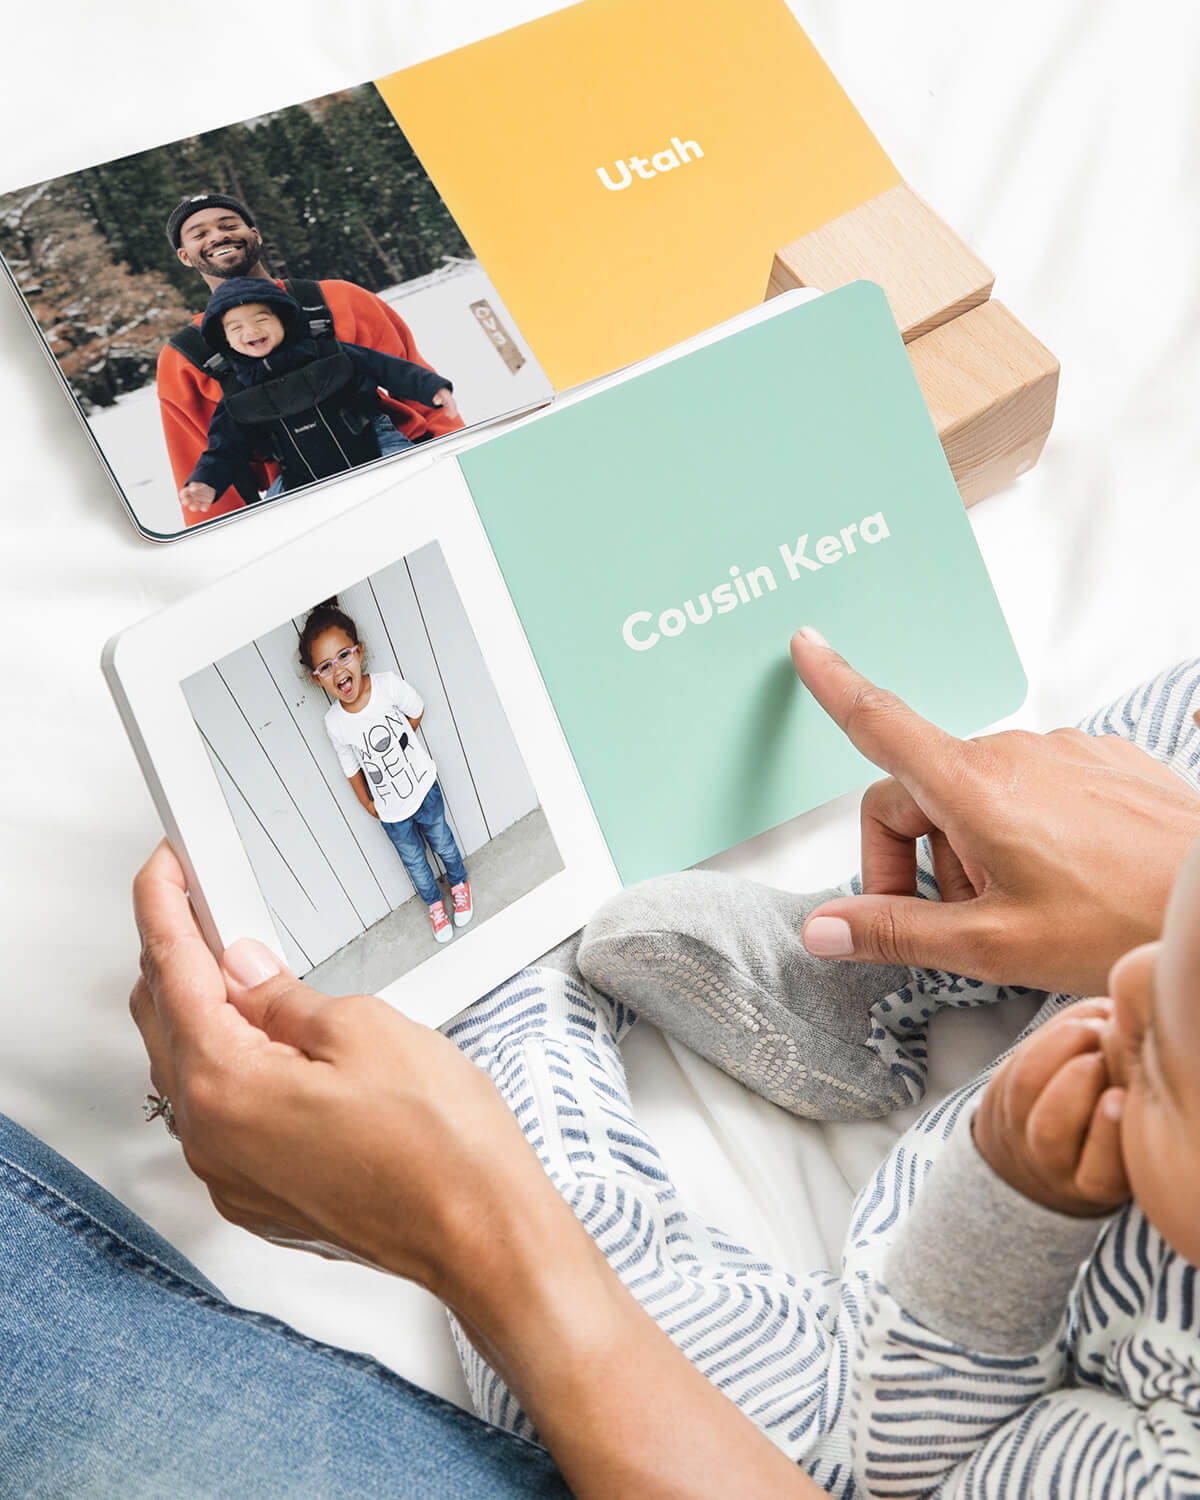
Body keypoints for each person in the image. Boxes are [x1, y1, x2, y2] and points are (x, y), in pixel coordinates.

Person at [5, 640, 1198, 1496]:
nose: (1126, 982)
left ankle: (511, 1029)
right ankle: (865, 961)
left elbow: (909, 1451)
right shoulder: (1153, 982)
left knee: (764, 1419)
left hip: (957, 1340)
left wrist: (1012, 1200)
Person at [159, 192, 464, 527]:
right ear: (185, 256)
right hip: (305, 508)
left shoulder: (342, 299)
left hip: (399, 468)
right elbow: (203, 460)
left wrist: (459, 461)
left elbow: (413, 384)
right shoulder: (185, 357)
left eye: (228, 225)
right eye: (200, 234)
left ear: (255, 234)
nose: (218, 236)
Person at [177, 278, 459, 512]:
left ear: (284, 321)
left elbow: (388, 368)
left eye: (261, 319)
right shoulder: (236, 392)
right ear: (224, 339)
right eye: (235, 328)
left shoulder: (326, 352)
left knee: (424, 487)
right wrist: (206, 481)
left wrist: (432, 387)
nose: (250, 330)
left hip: (375, 445)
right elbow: (225, 448)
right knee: (277, 526)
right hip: (299, 477)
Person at [300, 600, 473, 944]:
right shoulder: (335, 723)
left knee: (444, 843)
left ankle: (459, 883)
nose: (338, 671)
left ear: (359, 652)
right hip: (391, 812)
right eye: (326, 666)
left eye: (344, 656)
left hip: (423, 790)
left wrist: (400, 742)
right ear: (317, 678)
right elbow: (350, 767)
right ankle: (435, 905)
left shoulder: (387, 686)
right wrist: (368, 804)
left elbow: (417, 709)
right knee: (417, 866)